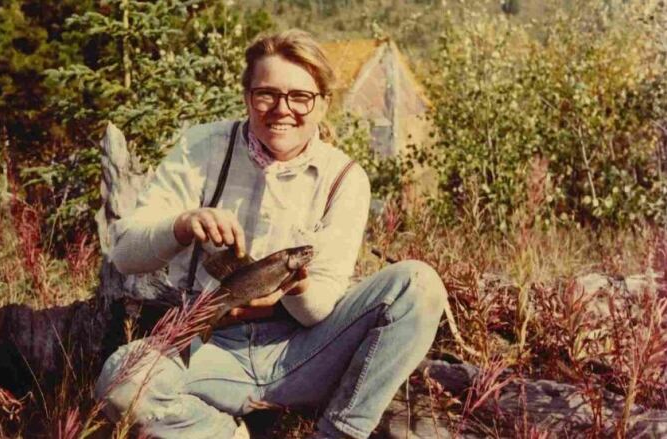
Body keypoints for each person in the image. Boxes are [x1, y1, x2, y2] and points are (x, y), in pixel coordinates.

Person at [94, 29, 447, 439]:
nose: (283, 109)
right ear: (247, 97)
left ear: (322, 104)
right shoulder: (201, 149)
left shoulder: (345, 178)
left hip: (304, 350)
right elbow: (125, 254)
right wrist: (182, 224)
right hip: (209, 347)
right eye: (267, 94)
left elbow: (319, 310)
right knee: (122, 383)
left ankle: (339, 432)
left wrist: (295, 286)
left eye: (300, 97)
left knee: (419, 283)